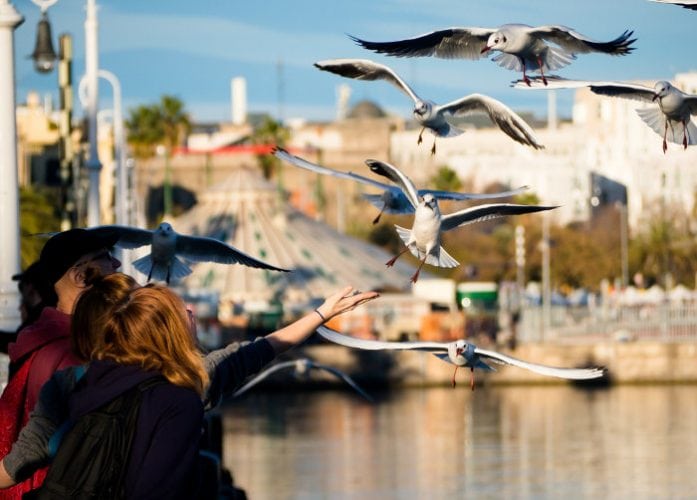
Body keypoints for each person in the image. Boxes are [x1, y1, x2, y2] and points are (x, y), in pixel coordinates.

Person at [0, 270, 378, 495]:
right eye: (183, 312)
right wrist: (320, 315)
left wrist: (320, 313)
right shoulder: (181, 396)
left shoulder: (71, 382)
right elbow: (158, 491)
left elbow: (16, 464)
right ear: (168, 331)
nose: (192, 312)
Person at [0, 228, 120, 499]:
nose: (116, 264)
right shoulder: (72, 351)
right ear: (80, 276)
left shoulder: (47, 339)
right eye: (104, 257)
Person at [0, 262, 58, 355]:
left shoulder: (39, 321)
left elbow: (14, 344)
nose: (21, 293)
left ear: (31, 288)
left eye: (21, 286)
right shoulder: (56, 314)